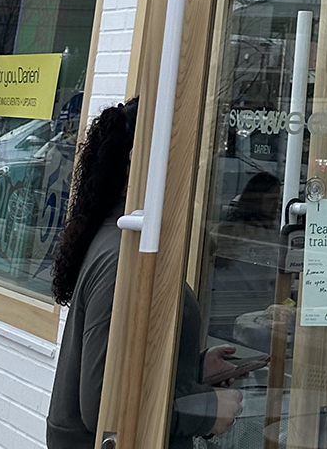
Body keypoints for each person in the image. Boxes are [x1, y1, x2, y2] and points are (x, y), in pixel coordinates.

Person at [48, 100, 247, 448]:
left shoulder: (128, 237)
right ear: (141, 163)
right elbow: (102, 410)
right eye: (187, 154)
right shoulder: (120, 256)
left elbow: (129, 364)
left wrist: (191, 370)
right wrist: (203, 409)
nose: (195, 169)